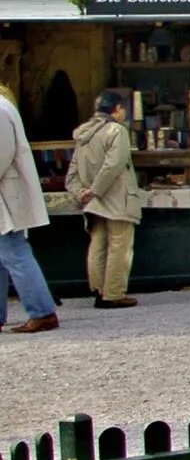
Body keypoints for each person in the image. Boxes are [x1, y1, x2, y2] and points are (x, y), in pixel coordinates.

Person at [67, 90, 140, 309]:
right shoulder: (116, 131)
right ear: (117, 110)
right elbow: (114, 163)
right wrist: (96, 190)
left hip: (93, 201)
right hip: (116, 198)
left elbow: (72, 174)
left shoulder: (83, 135)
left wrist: (81, 192)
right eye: (123, 109)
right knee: (120, 245)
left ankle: (99, 290)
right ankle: (114, 294)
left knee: (98, 244)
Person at [0, 88, 61, 333]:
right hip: (5, 195)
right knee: (6, 254)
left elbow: (1, 155)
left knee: (14, 252)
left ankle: (42, 311)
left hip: (6, 196)